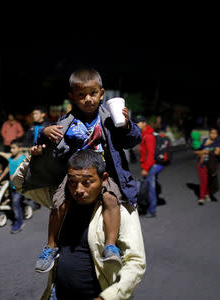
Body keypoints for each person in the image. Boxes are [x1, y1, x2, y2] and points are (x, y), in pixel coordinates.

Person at [27, 68, 142, 273]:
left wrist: (126, 126)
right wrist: (44, 132)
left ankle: (111, 246)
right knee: (59, 202)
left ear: (102, 93)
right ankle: (51, 247)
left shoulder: (109, 118)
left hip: (102, 173)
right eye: (81, 95)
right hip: (75, 175)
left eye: (93, 93)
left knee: (111, 200)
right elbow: (46, 140)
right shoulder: (66, 121)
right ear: (72, 96)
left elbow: (133, 140)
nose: (88, 99)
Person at [29, 150, 146, 299]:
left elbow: (135, 262)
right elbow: (20, 183)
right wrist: (34, 156)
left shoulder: (121, 210)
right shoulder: (63, 204)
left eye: (87, 182)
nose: (79, 190)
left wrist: (107, 297)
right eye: (72, 182)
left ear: (103, 179)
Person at [0, 139, 27, 234]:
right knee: (14, 202)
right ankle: (21, 213)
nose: (11, 150)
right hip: (12, 185)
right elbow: (8, 168)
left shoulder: (23, 159)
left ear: (20, 148)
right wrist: (1, 177)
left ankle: (19, 222)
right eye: (11, 148)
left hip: (20, 186)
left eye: (13, 148)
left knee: (15, 203)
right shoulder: (10, 159)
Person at [135, 115, 163, 217]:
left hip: (151, 165)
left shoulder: (149, 136)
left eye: (138, 122)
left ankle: (152, 210)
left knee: (150, 187)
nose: (137, 124)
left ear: (144, 123)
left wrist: (146, 169)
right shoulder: (144, 134)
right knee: (150, 185)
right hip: (149, 165)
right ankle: (147, 206)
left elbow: (150, 155)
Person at [194, 127, 220, 205]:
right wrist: (201, 152)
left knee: (210, 181)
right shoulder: (204, 141)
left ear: (217, 135)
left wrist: (204, 151)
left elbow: (217, 153)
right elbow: (196, 151)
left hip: (212, 165)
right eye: (211, 133)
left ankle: (207, 193)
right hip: (202, 163)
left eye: (215, 133)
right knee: (203, 180)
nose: (213, 135)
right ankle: (202, 197)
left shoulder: (219, 142)